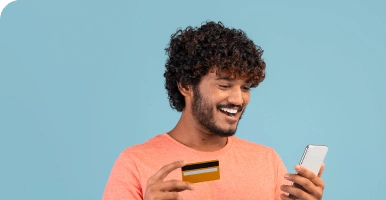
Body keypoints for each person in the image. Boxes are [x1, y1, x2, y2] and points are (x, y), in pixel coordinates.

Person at [102, 21, 325, 200]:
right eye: (224, 85)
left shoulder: (267, 162)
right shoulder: (136, 163)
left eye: (245, 87)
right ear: (186, 86)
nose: (238, 99)